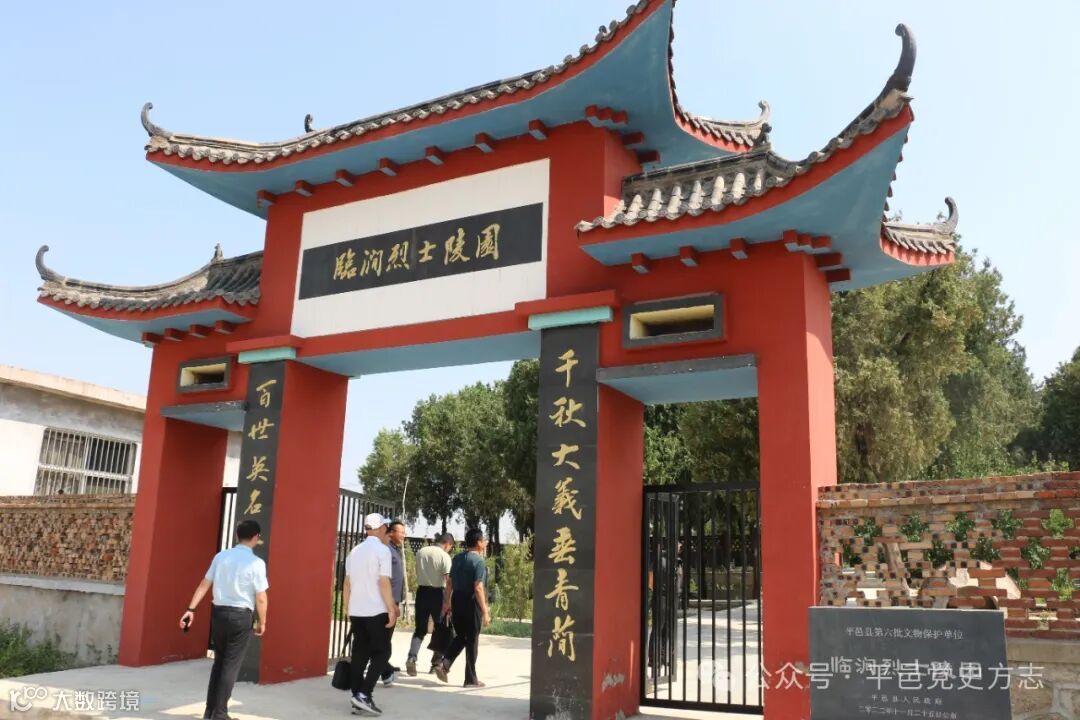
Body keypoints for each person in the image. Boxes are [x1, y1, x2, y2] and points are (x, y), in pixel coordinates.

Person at [179, 519, 268, 720]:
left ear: (237, 535)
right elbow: (261, 597)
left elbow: (204, 584)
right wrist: (262, 621)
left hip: (218, 614)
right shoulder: (256, 563)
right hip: (241, 616)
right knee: (230, 665)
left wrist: (190, 609)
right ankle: (220, 714)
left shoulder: (221, 557)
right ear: (256, 537)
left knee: (219, 663)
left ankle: (209, 712)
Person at [343, 513, 399, 716]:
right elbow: (383, 582)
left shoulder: (354, 551)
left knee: (360, 654)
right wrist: (391, 608)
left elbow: (347, 583)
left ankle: (357, 698)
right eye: (386, 527)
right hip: (376, 610)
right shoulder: (382, 551)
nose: (387, 530)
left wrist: (348, 609)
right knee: (382, 653)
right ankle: (364, 694)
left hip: (357, 611)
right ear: (380, 528)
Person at [434, 528, 489, 687]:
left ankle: (444, 664)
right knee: (472, 640)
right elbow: (478, 587)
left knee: (461, 636)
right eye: (484, 540)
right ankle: (470, 680)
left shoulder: (457, 558)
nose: (485, 542)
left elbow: (449, 583)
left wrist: (447, 603)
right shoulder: (478, 561)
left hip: (457, 600)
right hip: (471, 602)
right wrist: (485, 611)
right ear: (478, 543)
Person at [407, 533, 454, 675]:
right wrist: (448, 602)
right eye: (450, 547)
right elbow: (448, 580)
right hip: (437, 594)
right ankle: (436, 663)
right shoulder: (444, 556)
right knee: (441, 629)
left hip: (422, 592)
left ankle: (412, 658)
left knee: (420, 630)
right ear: (447, 544)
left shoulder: (421, 552)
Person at [376, 520, 406, 686]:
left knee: (386, 638)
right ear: (391, 532)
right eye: (401, 532)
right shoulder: (386, 549)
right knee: (382, 638)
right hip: (386, 601)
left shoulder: (394, 549)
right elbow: (384, 578)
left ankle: (384, 665)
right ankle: (384, 669)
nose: (403, 535)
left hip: (393, 600)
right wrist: (391, 604)